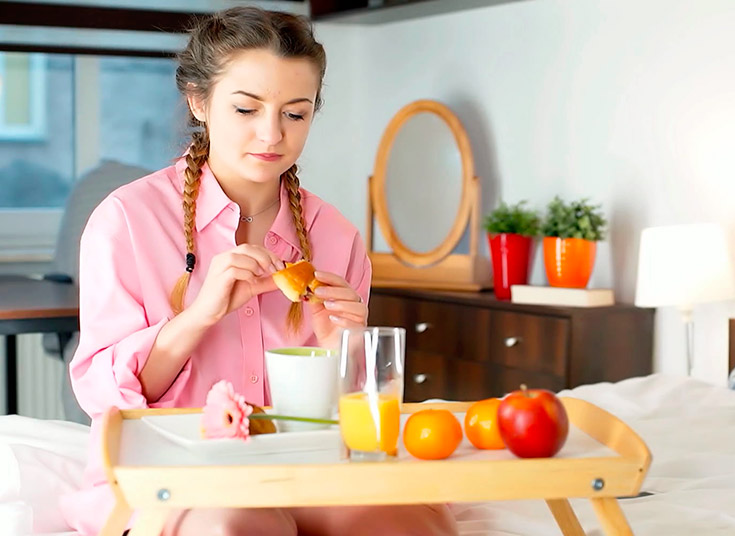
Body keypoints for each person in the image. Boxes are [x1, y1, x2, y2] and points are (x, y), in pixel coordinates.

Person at [58, 7, 458, 535]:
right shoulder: (127, 220)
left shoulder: (335, 236)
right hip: (174, 471)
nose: (272, 135)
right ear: (199, 101)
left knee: (408, 524)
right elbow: (106, 400)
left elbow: (359, 424)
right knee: (240, 524)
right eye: (247, 109)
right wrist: (199, 316)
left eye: (295, 114)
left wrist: (344, 349)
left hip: (309, 471)